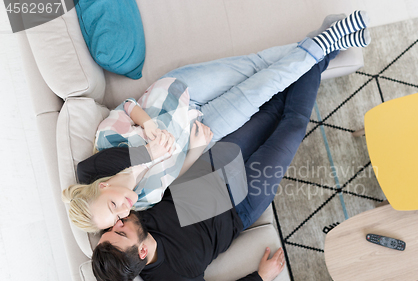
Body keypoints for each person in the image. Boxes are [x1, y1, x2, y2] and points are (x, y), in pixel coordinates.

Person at [88, 27, 352, 281]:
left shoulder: (125, 212)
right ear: (141, 251)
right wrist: (261, 277)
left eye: (111, 229)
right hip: (242, 205)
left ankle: (322, 48)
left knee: (272, 110)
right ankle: (323, 47)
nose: (118, 222)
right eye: (120, 231)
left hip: (214, 165)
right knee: (293, 125)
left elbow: (86, 172)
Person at [62, 11, 371, 232]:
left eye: (113, 206)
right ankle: (328, 37)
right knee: (264, 87)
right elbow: (175, 174)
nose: (123, 212)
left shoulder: (107, 146)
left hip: (180, 93)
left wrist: (149, 126)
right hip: (204, 129)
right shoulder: (140, 201)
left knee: (259, 65)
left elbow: (129, 106)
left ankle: (328, 41)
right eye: (117, 220)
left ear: (102, 187)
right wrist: (196, 149)